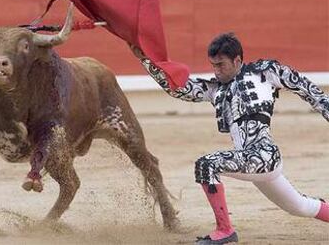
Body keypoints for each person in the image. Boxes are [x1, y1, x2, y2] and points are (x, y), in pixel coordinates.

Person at [130, 32, 329, 244]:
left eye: (221, 65)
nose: (216, 71)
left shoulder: (265, 71)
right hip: (249, 161)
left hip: (265, 155)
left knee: (207, 165)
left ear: (237, 60)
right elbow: (177, 88)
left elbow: (309, 90)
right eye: (213, 65)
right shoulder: (215, 89)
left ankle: (225, 230)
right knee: (300, 206)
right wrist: (146, 59)